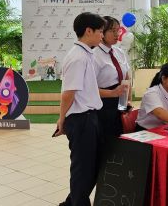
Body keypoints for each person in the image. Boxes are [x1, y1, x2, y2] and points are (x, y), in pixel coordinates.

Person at [55, 12, 105, 206]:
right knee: (82, 170)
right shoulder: (78, 57)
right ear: (88, 31)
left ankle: (70, 203)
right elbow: (69, 92)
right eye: (100, 31)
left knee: (90, 168)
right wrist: (62, 119)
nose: (102, 35)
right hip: (81, 119)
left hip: (89, 117)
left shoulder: (85, 53)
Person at [93, 16, 130, 139]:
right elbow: (89, 88)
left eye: (118, 30)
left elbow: (127, 76)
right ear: (102, 32)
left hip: (121, 102)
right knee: (106, 141)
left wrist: (127, 101)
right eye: (112, 31)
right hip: (103, 105)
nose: (116, 34)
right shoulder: (94, 55)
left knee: (121, 139)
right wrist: (113, 93)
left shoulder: (119, 52)